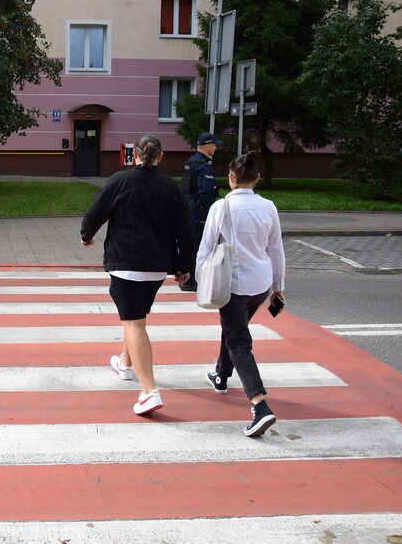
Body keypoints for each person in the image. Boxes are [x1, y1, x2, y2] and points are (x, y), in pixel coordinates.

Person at [81, 134, 196, 415]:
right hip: (157, 267)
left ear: (136, 155)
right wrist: (183, 266)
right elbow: (185, 229)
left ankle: (149, 392)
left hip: (125, 264)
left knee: (134, 325)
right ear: (160, 156)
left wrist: (87, 235)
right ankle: (125, 363)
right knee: (134, 318)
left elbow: (96, 211)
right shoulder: (170, 187)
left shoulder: (120, 180)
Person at [197, 151, 285, 437]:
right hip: (259, 285)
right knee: (234, 328)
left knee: (238, 341)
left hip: (231, 284)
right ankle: (221, 376)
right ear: (256, 178)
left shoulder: (220, 207)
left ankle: (260, 406)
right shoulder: (269, 207)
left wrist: (200, 280)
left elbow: (206, 247)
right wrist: (278, 287)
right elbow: (276, 250)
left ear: (231, 178)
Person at [180, 132, 221, 291]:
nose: (216, 148)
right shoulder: (203, 166)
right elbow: (205, 193)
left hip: (188, 209)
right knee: (199, 246)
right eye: (215, 145)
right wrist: (211, 214)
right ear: (207, 146)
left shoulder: (189, 162)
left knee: (190, 245)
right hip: (199, 212)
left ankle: (186, 278)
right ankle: (192, 281)